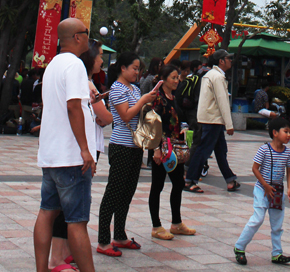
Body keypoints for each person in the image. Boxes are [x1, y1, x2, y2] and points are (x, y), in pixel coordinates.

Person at [33, 17, 96, 272]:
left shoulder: (53, 66)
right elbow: (72, 106)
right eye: (87, 34)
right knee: (76, 221)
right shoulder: (75, 65)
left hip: (51, 155)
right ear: (78, 37)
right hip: (71, 158)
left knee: (47, 212)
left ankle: (41, 269)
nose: (89, 39)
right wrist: (84, 149)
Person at [49, 40, 114, 269]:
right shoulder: (83, 81)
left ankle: (64, 254)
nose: (101, 60)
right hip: (78, 152)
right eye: (99, 56)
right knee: (73, 211)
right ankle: (59, 257)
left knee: (63, 208)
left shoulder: (70, 74)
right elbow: (101, 117)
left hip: (73, 150)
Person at [97, 52, 158, 257]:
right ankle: (103, 240)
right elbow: (124, 116)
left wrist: (148, 100)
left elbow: (139, 113)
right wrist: (142, 101)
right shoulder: (117, 89)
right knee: (113, 193)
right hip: (121, 146)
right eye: (133, 68)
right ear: (122, 68)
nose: (137, 72)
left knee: (127, 193)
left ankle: (120, 235)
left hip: (135, 147)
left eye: (138, 68)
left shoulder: (135, 88)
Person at [234, 116, 290, 266]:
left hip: (277, 192)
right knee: (258, 218)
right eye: (285, 131)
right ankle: (239, 247)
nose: (288, 135)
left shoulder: (288, 153)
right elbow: (255, 168)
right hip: (262, 189)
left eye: (289, 132)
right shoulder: (264, 149)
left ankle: (277, 253)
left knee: (277, 224)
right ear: (275, 132)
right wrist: (265, 186)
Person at [149, 64, 196, 240]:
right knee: (157, 186)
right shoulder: (157, 98)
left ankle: (176, 223)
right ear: (164, 79)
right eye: (173, 77)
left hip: (174, 148)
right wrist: (155, 150)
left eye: (178, 77)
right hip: (160, 148)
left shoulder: (174, 96)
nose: (177, 80)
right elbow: (152, 124)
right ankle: (156, 226)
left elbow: (178, 119)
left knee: (178, 183)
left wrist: (183, 129)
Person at [185, 49, 239, 193]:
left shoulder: (211, 75)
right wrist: (229, 124)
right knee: (203, 150)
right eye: (228, 58)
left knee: (220, 151)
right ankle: (190, 180)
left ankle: (230, 180)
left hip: (210, 118)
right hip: (213, 120)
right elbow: (222, 102)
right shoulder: (217, 77)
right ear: (221, 61)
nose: (230, 61)